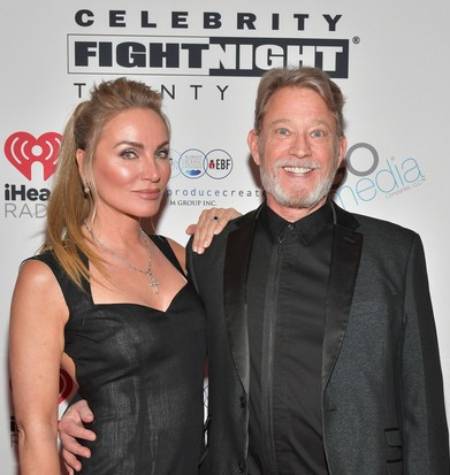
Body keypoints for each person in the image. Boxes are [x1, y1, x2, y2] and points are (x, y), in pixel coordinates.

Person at [60, 67, 450, 474]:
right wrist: (91, 405)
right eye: (283, 131)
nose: (300, 150)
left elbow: (422, 405)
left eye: (317, 133)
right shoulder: (211, 252)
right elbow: (158, 348)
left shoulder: (394, 253)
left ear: (339, 150)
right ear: (256, 146)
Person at [9, 77, 237, 475]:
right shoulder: (48, 277)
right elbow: (36, 434)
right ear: (84, 163)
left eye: (161, 153)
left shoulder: (179, 256)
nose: (153, 171)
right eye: (129, 153)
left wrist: (241, 231)